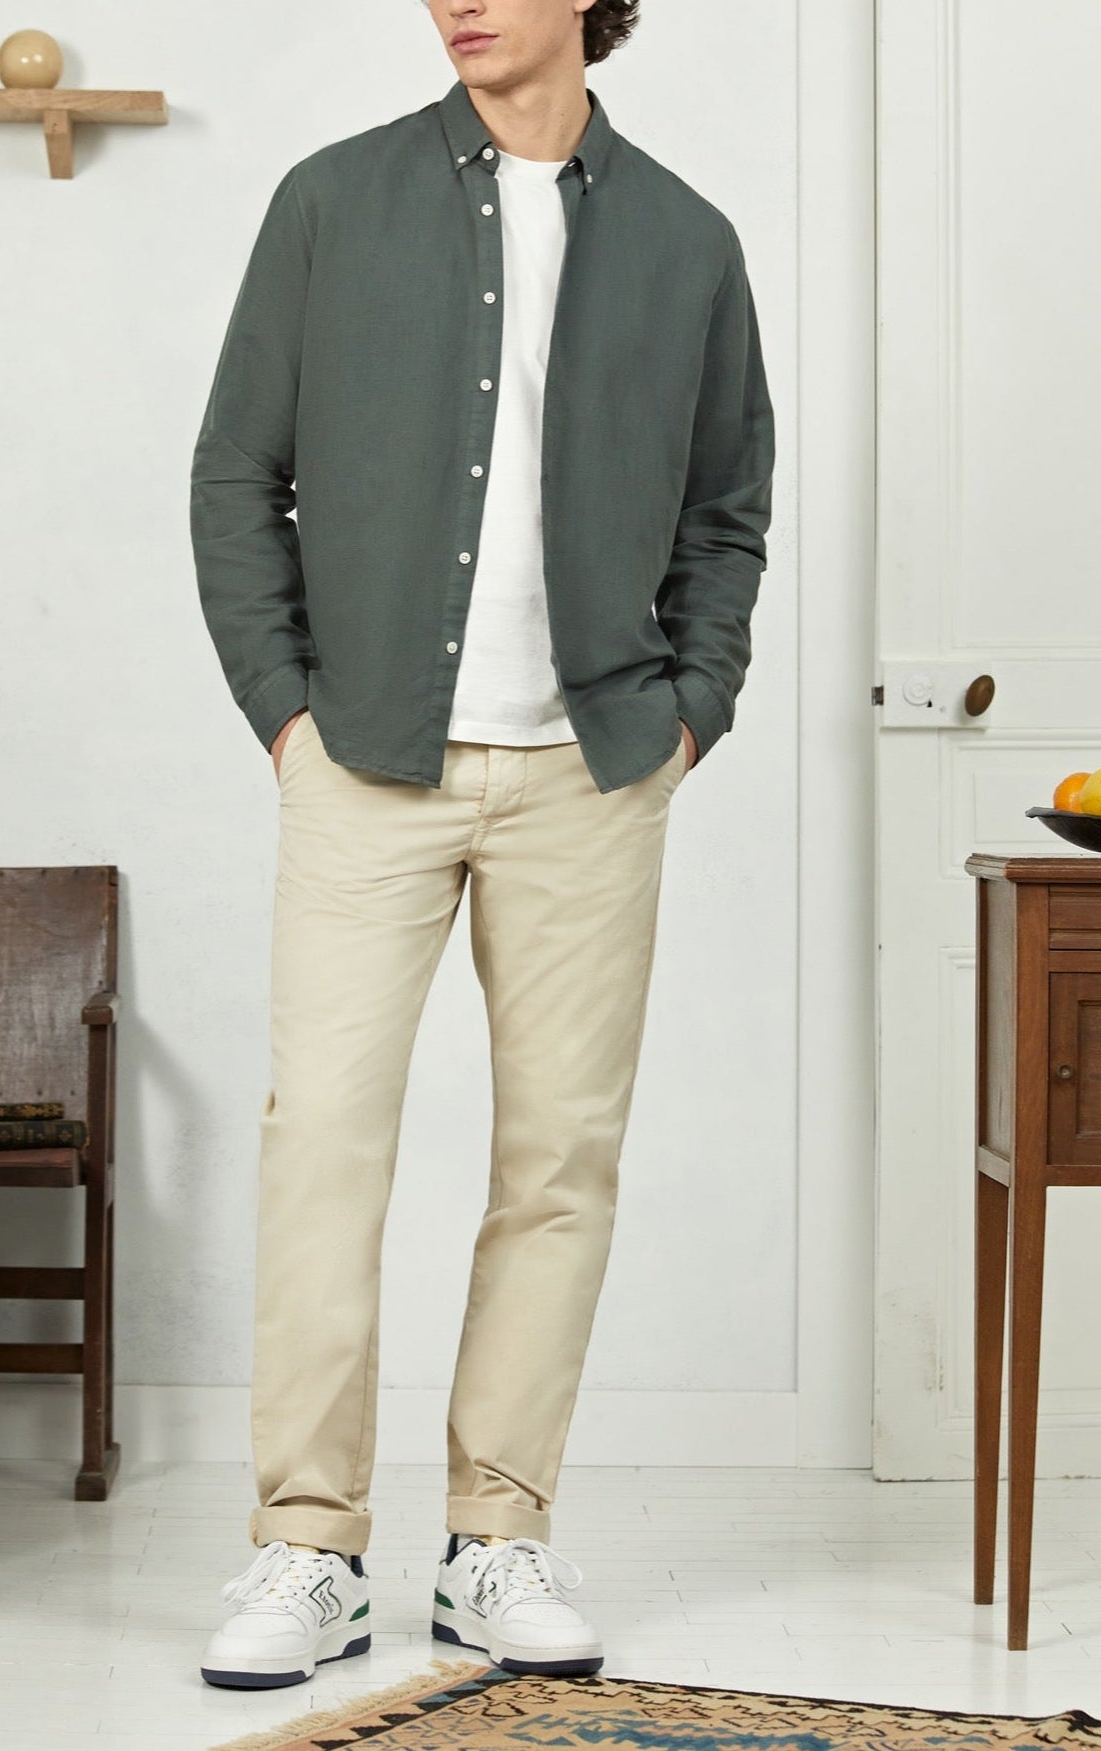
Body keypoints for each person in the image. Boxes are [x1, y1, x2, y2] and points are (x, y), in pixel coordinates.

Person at [189, 0, 774, 1693]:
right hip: (364, 758)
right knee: (324, 1142)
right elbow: (237, 473)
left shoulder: (687, 240)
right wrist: (286, 713)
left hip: (593, 766)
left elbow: (728, 510)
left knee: (559, 1162)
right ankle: (307, 1547)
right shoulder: (331, 200)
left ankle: (494, 1538)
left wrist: (691, 709)